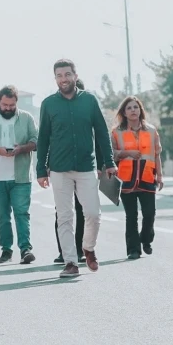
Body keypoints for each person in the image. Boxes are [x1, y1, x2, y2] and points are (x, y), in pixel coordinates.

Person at [37, 59, 117, 279]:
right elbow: (43, 138)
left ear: (75, 75)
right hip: (59, 168)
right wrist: (41, 170)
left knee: (93, 213)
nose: (64, 79)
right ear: (55, 79)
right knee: (64, 216)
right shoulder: (48, 104)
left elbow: (102, 133)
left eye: (67, 74)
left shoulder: (89, 101)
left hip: (86, 166)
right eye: (59, 75)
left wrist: (109, 162)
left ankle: (88, 248)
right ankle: (71, 261)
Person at [0, 85, 38, 265]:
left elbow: (36, 141)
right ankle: (6, 250)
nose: (8, 108)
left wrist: (22, 149)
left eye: (11, 105)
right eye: (5, 105)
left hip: (21, 176)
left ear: (16, 103)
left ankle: (25, 249)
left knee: (22, 213)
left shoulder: (27, 118)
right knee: (2, 216)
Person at [111, 95, 164, 259]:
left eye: (136, 107)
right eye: (129, 108)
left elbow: (156, 155)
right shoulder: (116, 133)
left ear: (140, 110)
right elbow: (111, 155)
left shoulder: (151, 130)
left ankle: (146, 239)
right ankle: (133, 249)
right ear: (124, 113)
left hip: (147, 177)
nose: (133, 110)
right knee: (131, 216)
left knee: (149, 213)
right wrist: (127, 153)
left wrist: (160, 176)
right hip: (126, 180)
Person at [53, 79, 86, 264]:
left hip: (84, 168)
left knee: (83, 211)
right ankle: (64, 251)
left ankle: (80, 249)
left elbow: (97, 138)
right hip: (62, 167)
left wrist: (100, 166)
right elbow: (49, 138)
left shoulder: (87, 110)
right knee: (62, 211)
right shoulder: (57, 111)